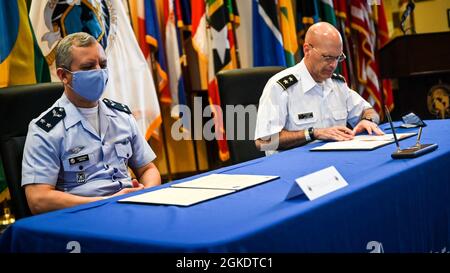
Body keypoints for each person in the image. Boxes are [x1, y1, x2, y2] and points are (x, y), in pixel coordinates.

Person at [22, 32, 161, 214]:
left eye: (103, 65)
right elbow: (38, 199)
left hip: (132, 209)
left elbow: (148, 169)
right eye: (88, 67)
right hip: (84, 216)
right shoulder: (46, 129)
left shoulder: (122, 116)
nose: (99, 72)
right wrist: (106, 202)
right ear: (64, 75)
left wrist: (145, 193)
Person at [255, 22, 383, 155]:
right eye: (327, 57)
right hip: (295, 166)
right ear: (307, 50)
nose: (333, 65)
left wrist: (367, 121)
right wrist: (312, 133)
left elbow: (369, 111)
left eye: (338, 58)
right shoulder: (281, 87)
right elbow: (263, 142)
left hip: (337, 161)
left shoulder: (337, 84)